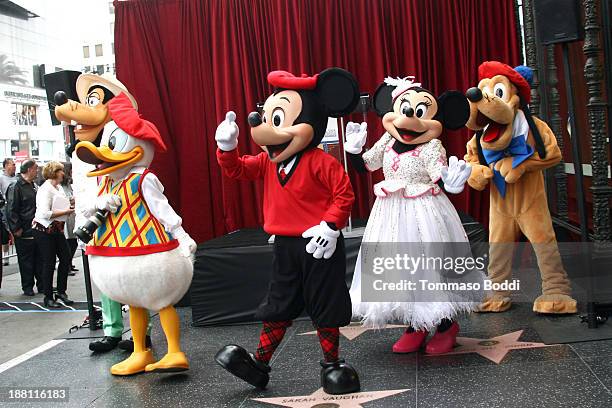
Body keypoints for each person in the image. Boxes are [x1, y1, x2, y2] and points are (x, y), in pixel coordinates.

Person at [32, 161, 74, 308]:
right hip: (43, 230)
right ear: (55, 172)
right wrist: (66, 212)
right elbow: (44, 213)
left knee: (65, 257)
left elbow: (62, 204)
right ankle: (48, 296)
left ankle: (61, 292)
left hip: (56, 229)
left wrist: (70, 205)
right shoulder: (45, 189)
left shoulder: (59, 188)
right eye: (61, 171)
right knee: (49, 262)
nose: (63, 173)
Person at [6, 159, 41, 296]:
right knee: (26, 260)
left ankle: (41, 284)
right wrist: (16, 228)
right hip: (23, 229)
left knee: (39, 258)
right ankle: (27, 286)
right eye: (35, 169)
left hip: (35, 227)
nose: (37, 171)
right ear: (29, 170)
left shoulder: (33, 185)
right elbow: (11, 209)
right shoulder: (16, 187)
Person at [60, 163, 78, 275]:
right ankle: (66, 265)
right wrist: (72, 200)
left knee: (74, 241)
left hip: (72, 216)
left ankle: (69, 263)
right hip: (66, 217)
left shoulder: (69, 184)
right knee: (69, 242)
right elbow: (64, 199)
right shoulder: (61, 186)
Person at [1, 158, 17, 266]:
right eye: (13, 164)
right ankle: (5, 256)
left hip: (17, 208)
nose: (15, 166)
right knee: (6, 232)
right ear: (6, 166)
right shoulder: (1, 178)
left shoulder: (16, 178)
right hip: (5, 208)